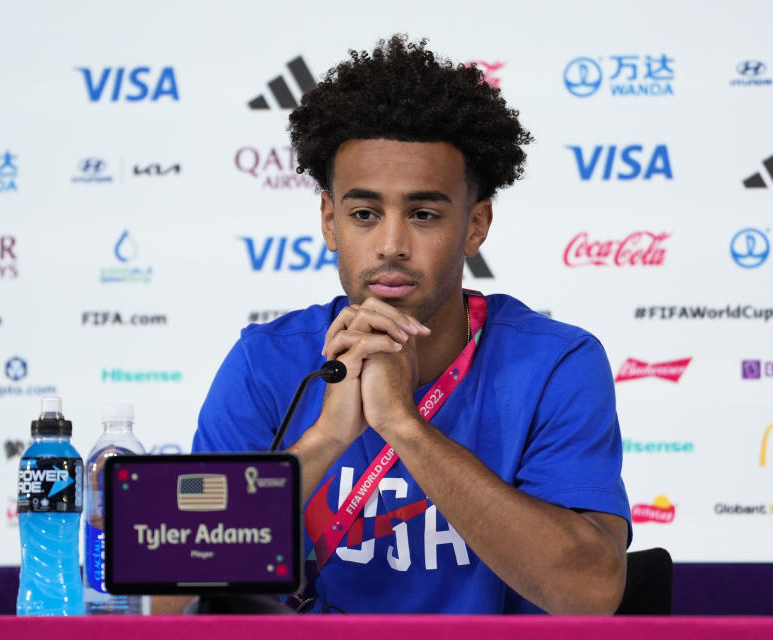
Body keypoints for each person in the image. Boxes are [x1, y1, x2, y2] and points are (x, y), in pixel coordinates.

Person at [191, 35, 630, 615]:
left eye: (423, 215)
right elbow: (166, 601)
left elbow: (592, 594)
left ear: (475, 225)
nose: (392, 246)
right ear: (329, 220)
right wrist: (324, 441)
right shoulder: (265, 363)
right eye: (364, 214)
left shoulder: (554, 364)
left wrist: (405, 426)